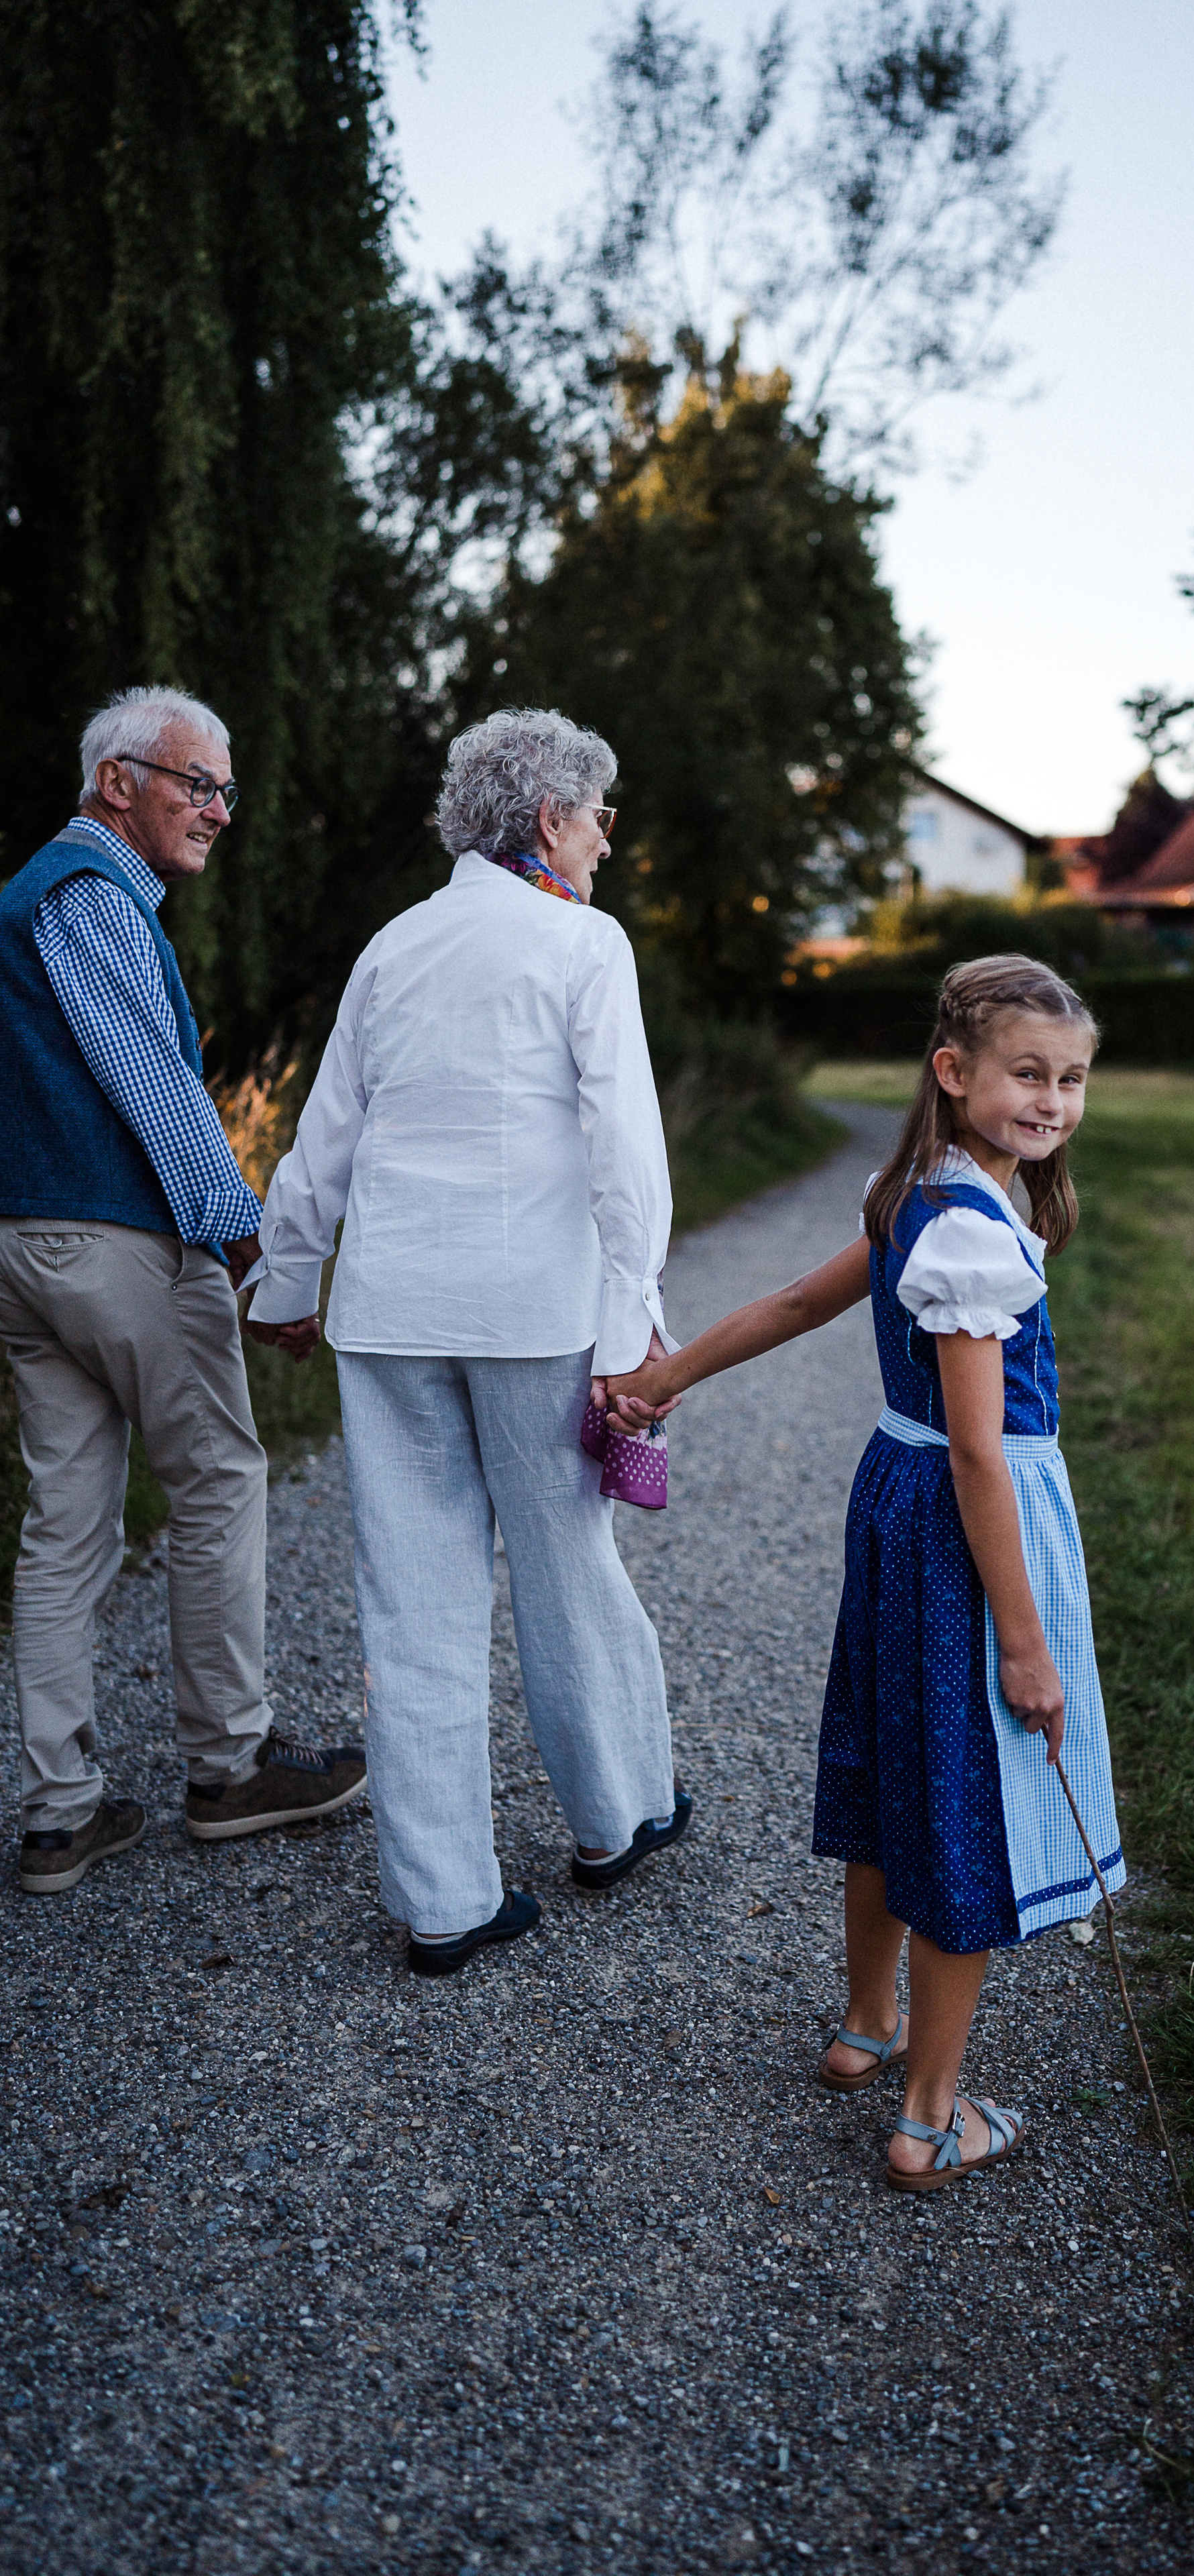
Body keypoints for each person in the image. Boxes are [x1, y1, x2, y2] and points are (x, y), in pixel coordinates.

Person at [606, 953, 1125, 2188]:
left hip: (897, 1506)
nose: (1051, 1102)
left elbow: (792, 1304)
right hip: (960, 1526)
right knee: (970, 1803)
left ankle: (864, 2028)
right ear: (953, 1074)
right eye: (1025, 1075)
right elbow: (981, 1458)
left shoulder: (918, 1196)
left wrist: (660, 1379)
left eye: (1073, 1080)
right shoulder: (971, 1238)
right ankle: (930, 2119)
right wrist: (1026, 1640)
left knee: (900, 1756)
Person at [243, 708, 689, 1978]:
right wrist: (631, 1322)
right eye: (601, 812)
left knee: (414, 1597)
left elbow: (325, 1137)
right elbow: (628, 1157)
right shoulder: (582, 944)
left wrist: (285, 1284)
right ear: (550, 817)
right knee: (567, 1567)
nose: (608, 836)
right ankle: (614, 1822)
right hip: (534, 1316)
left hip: (388, 1316)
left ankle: (442, 1900)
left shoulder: (396, 944)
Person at [0, 687, 367, 1896]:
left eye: (225, 790)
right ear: (119, 782)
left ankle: (60, 1815)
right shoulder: (87, 894)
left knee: (67, 1520)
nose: (219, 810)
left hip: (22, 1246)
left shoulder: (30, 902)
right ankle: (230, 1767)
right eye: (196, 784)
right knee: (217, 1478)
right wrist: (257, 1248)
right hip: (113, 1240)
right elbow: (150, 1087)